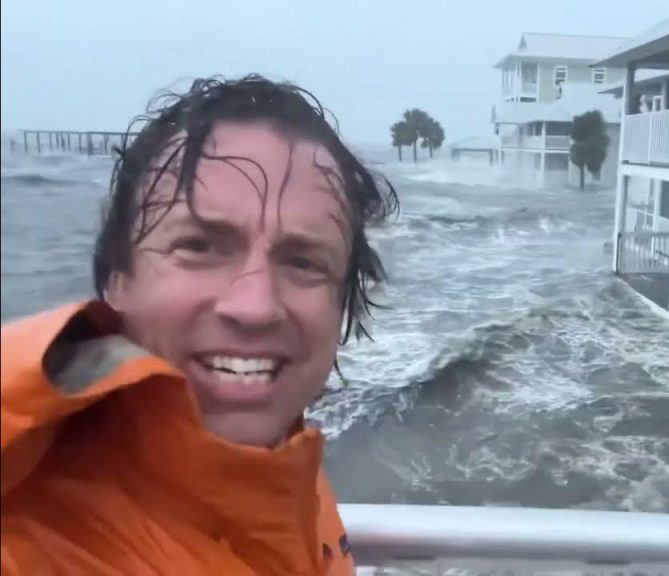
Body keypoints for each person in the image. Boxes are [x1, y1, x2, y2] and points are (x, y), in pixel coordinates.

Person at [0, 74, 398, 574]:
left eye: (303, 262)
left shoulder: (285, 471)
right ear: (119, 277)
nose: (255, 307)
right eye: (199, 247)